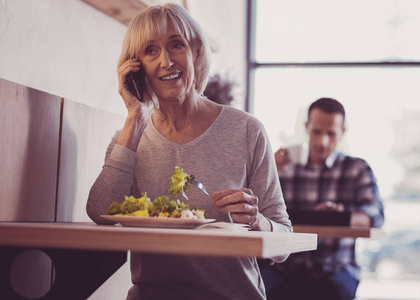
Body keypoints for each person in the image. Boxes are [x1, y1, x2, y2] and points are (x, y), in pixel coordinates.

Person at [86, 3, 292, 300]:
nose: (166, 61)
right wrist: (134, 117)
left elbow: (284, 241)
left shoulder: (247, 130)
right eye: (150, 51)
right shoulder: (128, 139)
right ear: (136, 67)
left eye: (176, 45)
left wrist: (256, 220)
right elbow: (100, 212)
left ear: (195, 51)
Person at [262, 98, 384, 300]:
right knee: (257, 289)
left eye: (331, 134)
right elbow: (257, 209)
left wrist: (342, 217)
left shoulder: (357, 169)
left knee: (334, 291)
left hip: (336, 269)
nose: (322, 141)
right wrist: (269, 171)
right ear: (306, 127)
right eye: (317, 132)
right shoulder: (282, 166)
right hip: (285, 267)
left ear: (343, 132)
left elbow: (375, 215)